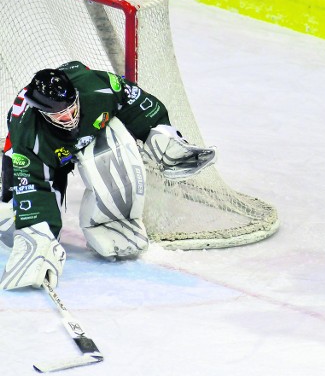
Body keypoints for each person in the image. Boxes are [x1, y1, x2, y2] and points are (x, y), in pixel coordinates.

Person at [0, 61, 216, 291]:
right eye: (61, 116)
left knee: (116, 145)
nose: (70, 117)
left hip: (88, 133)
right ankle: (13, 217)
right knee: (14, 211)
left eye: (72, 108)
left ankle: (113, 221)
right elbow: (33, 184)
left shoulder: (99, 87)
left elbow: (139, 104)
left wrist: (164, 136)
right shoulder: (28, 134)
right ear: (44, 113)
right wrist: (38, 239)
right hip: (45, 150)